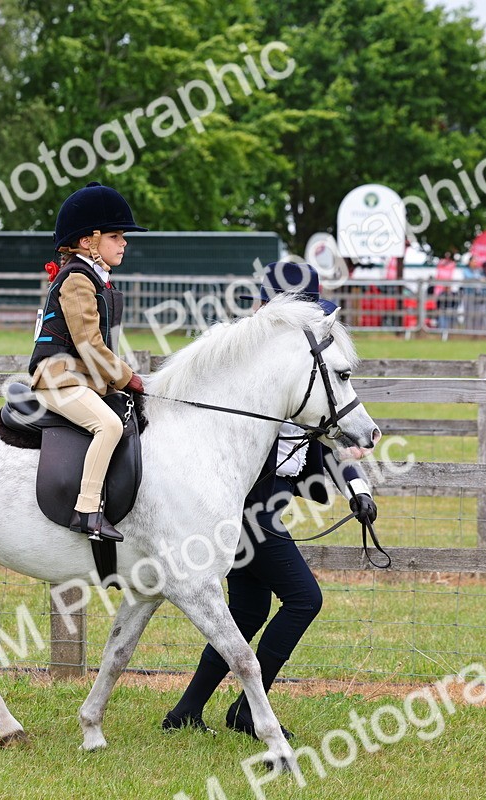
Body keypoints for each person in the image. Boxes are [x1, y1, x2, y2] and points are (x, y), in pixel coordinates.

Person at [162, 261, 378, 739]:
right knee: (305, 599)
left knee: (247, 612)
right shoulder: (246, 378)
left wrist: (358, 488)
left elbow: (329, 441)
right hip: (241, 516)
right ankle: (246, 711)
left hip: (264, 515)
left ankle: (185, 712)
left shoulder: (298, 382)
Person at [27, 181, 146, 542]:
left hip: (79, 378)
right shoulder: (78, 279)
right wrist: (130, 379)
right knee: (108, 426)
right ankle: (87, 510)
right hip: (57, 378)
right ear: (87, 242)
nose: (123, 242)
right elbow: (91, 347)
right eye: (115, 235)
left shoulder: (96, 279)